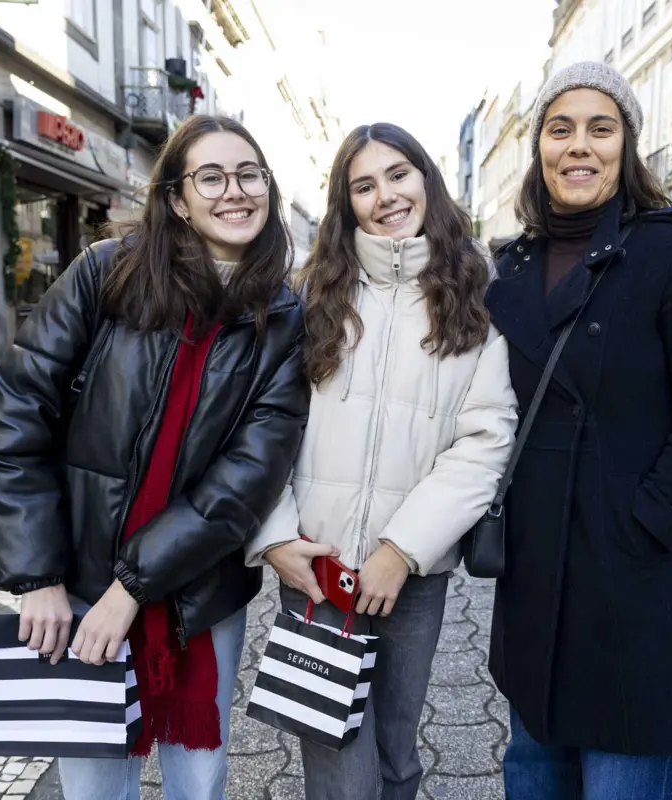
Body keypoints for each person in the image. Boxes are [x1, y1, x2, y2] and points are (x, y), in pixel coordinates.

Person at [0, 115, 310, 800]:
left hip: (198, 589)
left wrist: (131, 590)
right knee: (95, 787)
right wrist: (35, 575)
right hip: (75, 580)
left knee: (199, 781)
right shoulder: (106, 274)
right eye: (210, 177)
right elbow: (16, 415)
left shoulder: (283, 316)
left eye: (250, 174)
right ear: (178, 198)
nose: (235, 192)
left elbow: (244, 482)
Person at [483, 61, 672, 799]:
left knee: (621, 781)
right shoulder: (509, 268)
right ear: (538, 147)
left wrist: (649, 520)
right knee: (535, 772)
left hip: (639, 579)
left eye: (600, 129)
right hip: (539, 577)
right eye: (559, 127)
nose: (579, 145)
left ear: (626, 147)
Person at [245, 122, 517, 800]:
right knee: (336, 756)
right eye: (364, 185)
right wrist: (274, 536)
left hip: (413, 572)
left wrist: (403, 547)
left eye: (398, 174)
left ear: (426, 178)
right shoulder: (310, 295)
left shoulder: (477, 296)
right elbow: (257, 424)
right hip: (316, 566)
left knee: (395, 752)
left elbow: (486, 439)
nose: (386, 195)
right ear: (346, 203)